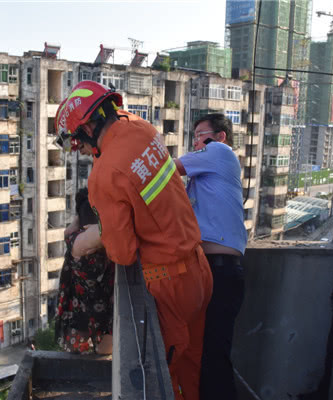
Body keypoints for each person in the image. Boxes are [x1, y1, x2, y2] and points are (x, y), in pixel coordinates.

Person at [55, 81, 213, 399]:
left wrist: (96, 236)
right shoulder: (142, 129)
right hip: (199, 268)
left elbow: (124, 253)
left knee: (161, 378)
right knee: (193, 368)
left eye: (77, 143)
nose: (81, 151)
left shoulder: (104, 174)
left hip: (170, 285)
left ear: (86, 126)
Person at [174, 113, 247, 400]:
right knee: (204, 354)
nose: (196, 142)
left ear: (220, 137)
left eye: (201, 134)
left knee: (213, 356)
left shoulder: (219, 152)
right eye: (193, 136)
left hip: (221, 270)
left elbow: (167, 169)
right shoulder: (205, 176)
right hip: (211, 269)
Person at [55, 188, 115, 355]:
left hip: (92, 313)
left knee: (97, 363)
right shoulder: (81, 242)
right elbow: (110, 228)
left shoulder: (74, 237)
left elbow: (68, 231)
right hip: (85, 316)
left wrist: (78, 219)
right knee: (83, 365)